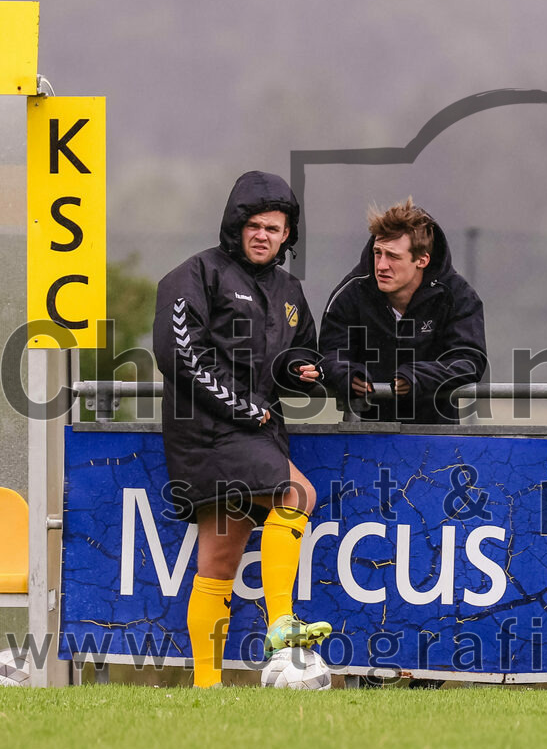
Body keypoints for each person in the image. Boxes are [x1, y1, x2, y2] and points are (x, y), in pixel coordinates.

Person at [153, 171, 331, 688]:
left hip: (256, 429)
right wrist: (241, 407)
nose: (263, 235)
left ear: (287, 236)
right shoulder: (195, 274)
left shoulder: (290, 290)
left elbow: (299, 357)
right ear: (236, 226)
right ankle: (281, 623)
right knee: (297, 493)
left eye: (274, 228)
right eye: (254, 225)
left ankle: (206, 688)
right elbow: (179, 353)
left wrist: (304, 372)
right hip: (207, 430)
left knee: (220, 557)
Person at [319, 197, 487, 424]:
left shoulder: (458, 296)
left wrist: (418, 377)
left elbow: (469, 361)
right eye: (378, 252)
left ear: (422, 260)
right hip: (365, 436)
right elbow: (329, 354)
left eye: (393, 256)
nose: (381, 265)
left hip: (438, 437)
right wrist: (348, 374)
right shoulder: (351, 292)